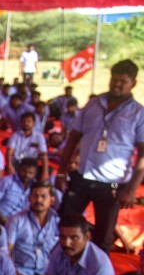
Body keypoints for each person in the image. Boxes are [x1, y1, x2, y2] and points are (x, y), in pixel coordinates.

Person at [57, 60, 144, 252]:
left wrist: (131, 189)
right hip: (82, 177)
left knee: (103, 236)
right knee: (65, 226)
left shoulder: (138, 113)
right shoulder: (93, 104)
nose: (117, 84)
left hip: (112, 184)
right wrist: (62, 172)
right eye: (114, 79)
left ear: (133, 84)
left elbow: (143, 156)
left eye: (123, 81)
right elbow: (73, 138)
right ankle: (60, 272)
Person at [5, 180, 60, 275]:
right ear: (29, 198)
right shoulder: (16, 220)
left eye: (43, 196)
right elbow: (5, 253)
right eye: (35, 196)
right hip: (22, 273)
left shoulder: (58, 222)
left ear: (52, 200)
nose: (39, 200)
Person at [0, 158, 38, 224]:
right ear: (18, 168)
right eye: (24, 171)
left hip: (20, 224)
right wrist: (3, 219)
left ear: (35, 174)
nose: (26, 175)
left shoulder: (35, 186)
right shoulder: (6, 181)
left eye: (30, 173)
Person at [7, 112, 49, 178]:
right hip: (18, 162)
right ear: (21, 122)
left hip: (32, 163)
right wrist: (9, 165)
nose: (26, 123)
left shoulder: (39, 136)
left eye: (29, 121)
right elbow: (9, 152)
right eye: (24, 121)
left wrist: (45, 172)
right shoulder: (15, 135)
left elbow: (43, 154)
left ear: (34, 123)